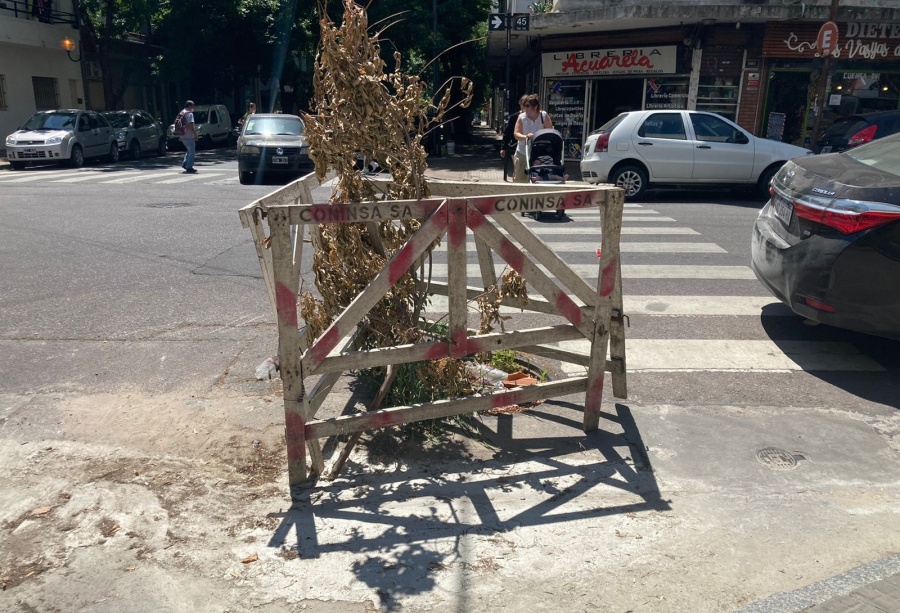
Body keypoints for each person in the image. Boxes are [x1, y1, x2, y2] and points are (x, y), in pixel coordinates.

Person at [513, 94, 553, 183]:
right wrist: (526, 137)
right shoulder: (522, 117)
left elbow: (550, 132)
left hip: (539, 153)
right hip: (523, 152)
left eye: (527, 106)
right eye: (524, 106)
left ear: (535, 107)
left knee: (539, 178)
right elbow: (516, 134)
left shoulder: (543, 116)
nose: (525, 108)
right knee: (520, 179)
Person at [499, 96, 525, 182]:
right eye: (524, 104)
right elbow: (507, 132)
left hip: (529, 146)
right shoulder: (514, 117)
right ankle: (516, 184)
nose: (526, 107)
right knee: (518, 167)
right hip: (516, 146)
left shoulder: (533, 117)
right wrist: (503, 147)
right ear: (520, 104)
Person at [178, 100, 198, 173]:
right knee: (192, 151)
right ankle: (189, 167)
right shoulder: (189, 114)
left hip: (182, 134)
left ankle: (185, 163)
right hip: (189, 135)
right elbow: (190, 125)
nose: (194, 107)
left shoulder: (182, 112)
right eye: (193, 105)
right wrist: (195, 135)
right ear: (189, 106)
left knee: (189, 150)